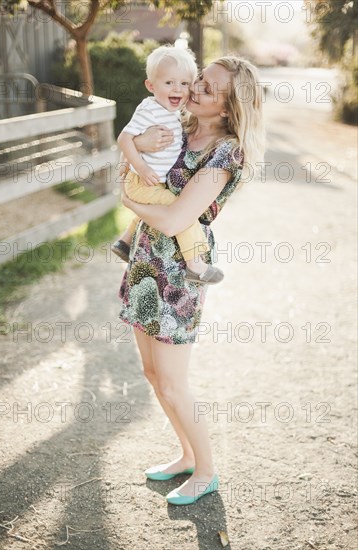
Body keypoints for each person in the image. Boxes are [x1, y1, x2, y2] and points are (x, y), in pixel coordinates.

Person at [118, 56, 265, 505]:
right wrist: (135, 147)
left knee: (173, 383)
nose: (196, 88)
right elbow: (127, 148)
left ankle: (206, 471)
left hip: (181, 269)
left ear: (228, 107)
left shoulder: (226, 152)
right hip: (145, 261)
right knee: (151, 373)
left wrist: (125, 195)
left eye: (209, 88)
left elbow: (177, 218)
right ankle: (184, 456)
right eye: (200, 79)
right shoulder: (176, 120)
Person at [112, 45, 224, 285]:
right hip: (142, 179)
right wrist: (140, 165)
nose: (178, 89)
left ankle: (124, 241)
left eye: (185, 84)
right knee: (178, 210)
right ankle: (195, 265)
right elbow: (124, 139)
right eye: (170, 83)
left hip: (150, 181)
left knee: (161, 201)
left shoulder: (173, 112)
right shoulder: (150, 109)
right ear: (151, 86)